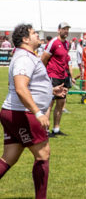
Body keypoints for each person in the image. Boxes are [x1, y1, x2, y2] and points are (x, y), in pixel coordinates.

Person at [0, 23, 67, 199]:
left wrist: (51, 91)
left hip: (15, 112)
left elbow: (28, 86)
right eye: (33, 33)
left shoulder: (28, 56)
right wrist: (38, 112)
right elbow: (21, 88)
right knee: (43, 154)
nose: (37, 35)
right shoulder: (24, 58)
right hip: (23, 114)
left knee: (9, 158)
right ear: (25, 39)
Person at [41, 23, 72, 137]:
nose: (66, 31)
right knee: (49, 104)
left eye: (67, 29)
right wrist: (44, 75)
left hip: (62, 77)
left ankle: (56, 129)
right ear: (58, 30)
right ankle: (46, 130)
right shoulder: (53, 42)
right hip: (52, 76)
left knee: (61, 103)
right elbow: (43, 59)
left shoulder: (66, 43)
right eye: (64, 29)